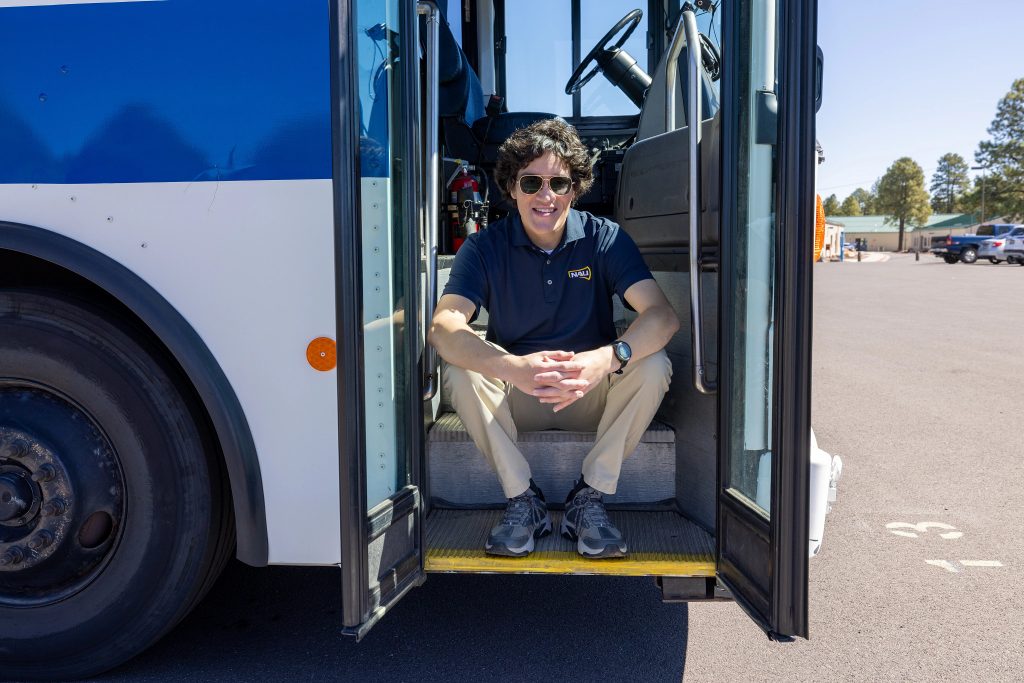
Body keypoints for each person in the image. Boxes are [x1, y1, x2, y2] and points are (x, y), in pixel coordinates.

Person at [428, 118, 679, 559]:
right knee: (460, 371)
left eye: (559, 182)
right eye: (531, 182)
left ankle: (588, 499)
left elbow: (661, 316)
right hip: (518, 396)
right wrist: (512, 368)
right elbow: (444, 325)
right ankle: (523, 499)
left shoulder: (605, 238)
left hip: (589, 393)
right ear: (511, 188)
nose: (546, 195)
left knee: (654, 363)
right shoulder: (484, 247)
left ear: (576, 188)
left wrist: (605, 359)